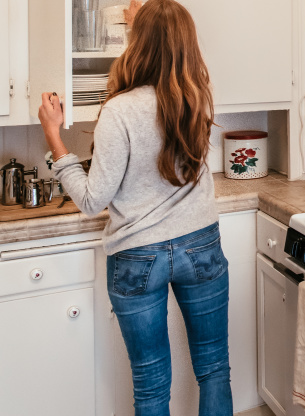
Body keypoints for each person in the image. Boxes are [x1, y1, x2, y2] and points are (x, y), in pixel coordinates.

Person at [37, 1, 233, 415]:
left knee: (151, 383)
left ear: (137, 44)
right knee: (214, 368)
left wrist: (54, 137)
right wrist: (143, 17)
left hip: (138, 254)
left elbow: (93, 200)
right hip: (200, 244)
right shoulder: (199, 99)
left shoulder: (119, 110)